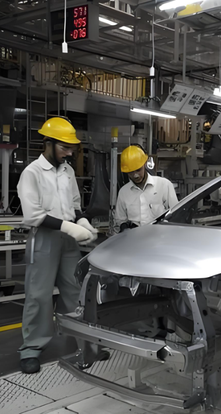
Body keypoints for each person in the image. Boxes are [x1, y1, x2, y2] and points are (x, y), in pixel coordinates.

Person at [16, 117, 99, 374]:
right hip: (44, 238)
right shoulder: (32, 173)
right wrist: (69, 227)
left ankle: (82, 341)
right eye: (64, 148)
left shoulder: (68, 172)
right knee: (39, 295)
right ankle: (31, 348)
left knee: (74, 291)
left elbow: (74, 205)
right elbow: (33, 214)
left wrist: (82, 221)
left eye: (71, 148)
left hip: (68, 240)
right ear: (48, 143)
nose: (69, 153)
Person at [114, 145, 178, 232]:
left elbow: (176, 214)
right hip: (135, 238)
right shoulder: (123, 192)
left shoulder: (164, 185)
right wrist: (124, 226)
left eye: (138, 170)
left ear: (144, 164)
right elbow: (120, 220)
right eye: (131, 172)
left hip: (160, 236)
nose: (135, 175)